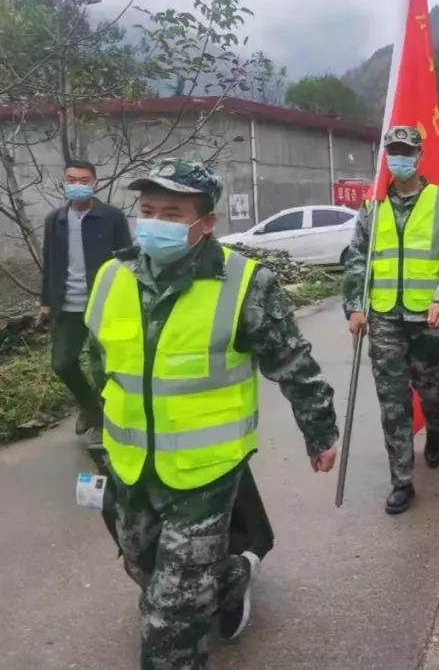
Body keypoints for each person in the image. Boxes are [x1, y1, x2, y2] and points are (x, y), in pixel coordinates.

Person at [85, 158, 339, 669]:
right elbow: (99, 362)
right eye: (149, 209)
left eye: (173, 213)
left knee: (168, 617)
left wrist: (320, 432)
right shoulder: (113, 275)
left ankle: (196, 606)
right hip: (130, 465)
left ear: (206, 223)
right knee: (142, 565)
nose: (155, 222)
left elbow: (292, 362)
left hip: (207, 473)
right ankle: (231, 575)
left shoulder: (244, 283)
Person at [342, 126, 439, 515]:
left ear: (418, 156)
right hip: (384, 319)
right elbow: (358, 260)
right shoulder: (372, 208)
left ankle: (436, 431)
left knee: (432, 393)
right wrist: (355, 306)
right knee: (392, 402)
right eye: (392, 151)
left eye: (406, 151)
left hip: (426, 318)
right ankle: (401, 480)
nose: (399, 158)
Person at [39, 160, 131, 440]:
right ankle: (91, 408)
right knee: (62, 363)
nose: (77, 185)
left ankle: (110, 423)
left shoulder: (112, 217)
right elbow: (50, 261)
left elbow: (127, 259)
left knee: (103, 366)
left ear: (95, 184)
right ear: (63, 183)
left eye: (83, 180)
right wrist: (45, 301)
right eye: (71, 180)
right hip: (67, 304)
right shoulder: (55, 220)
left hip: (104, 302)